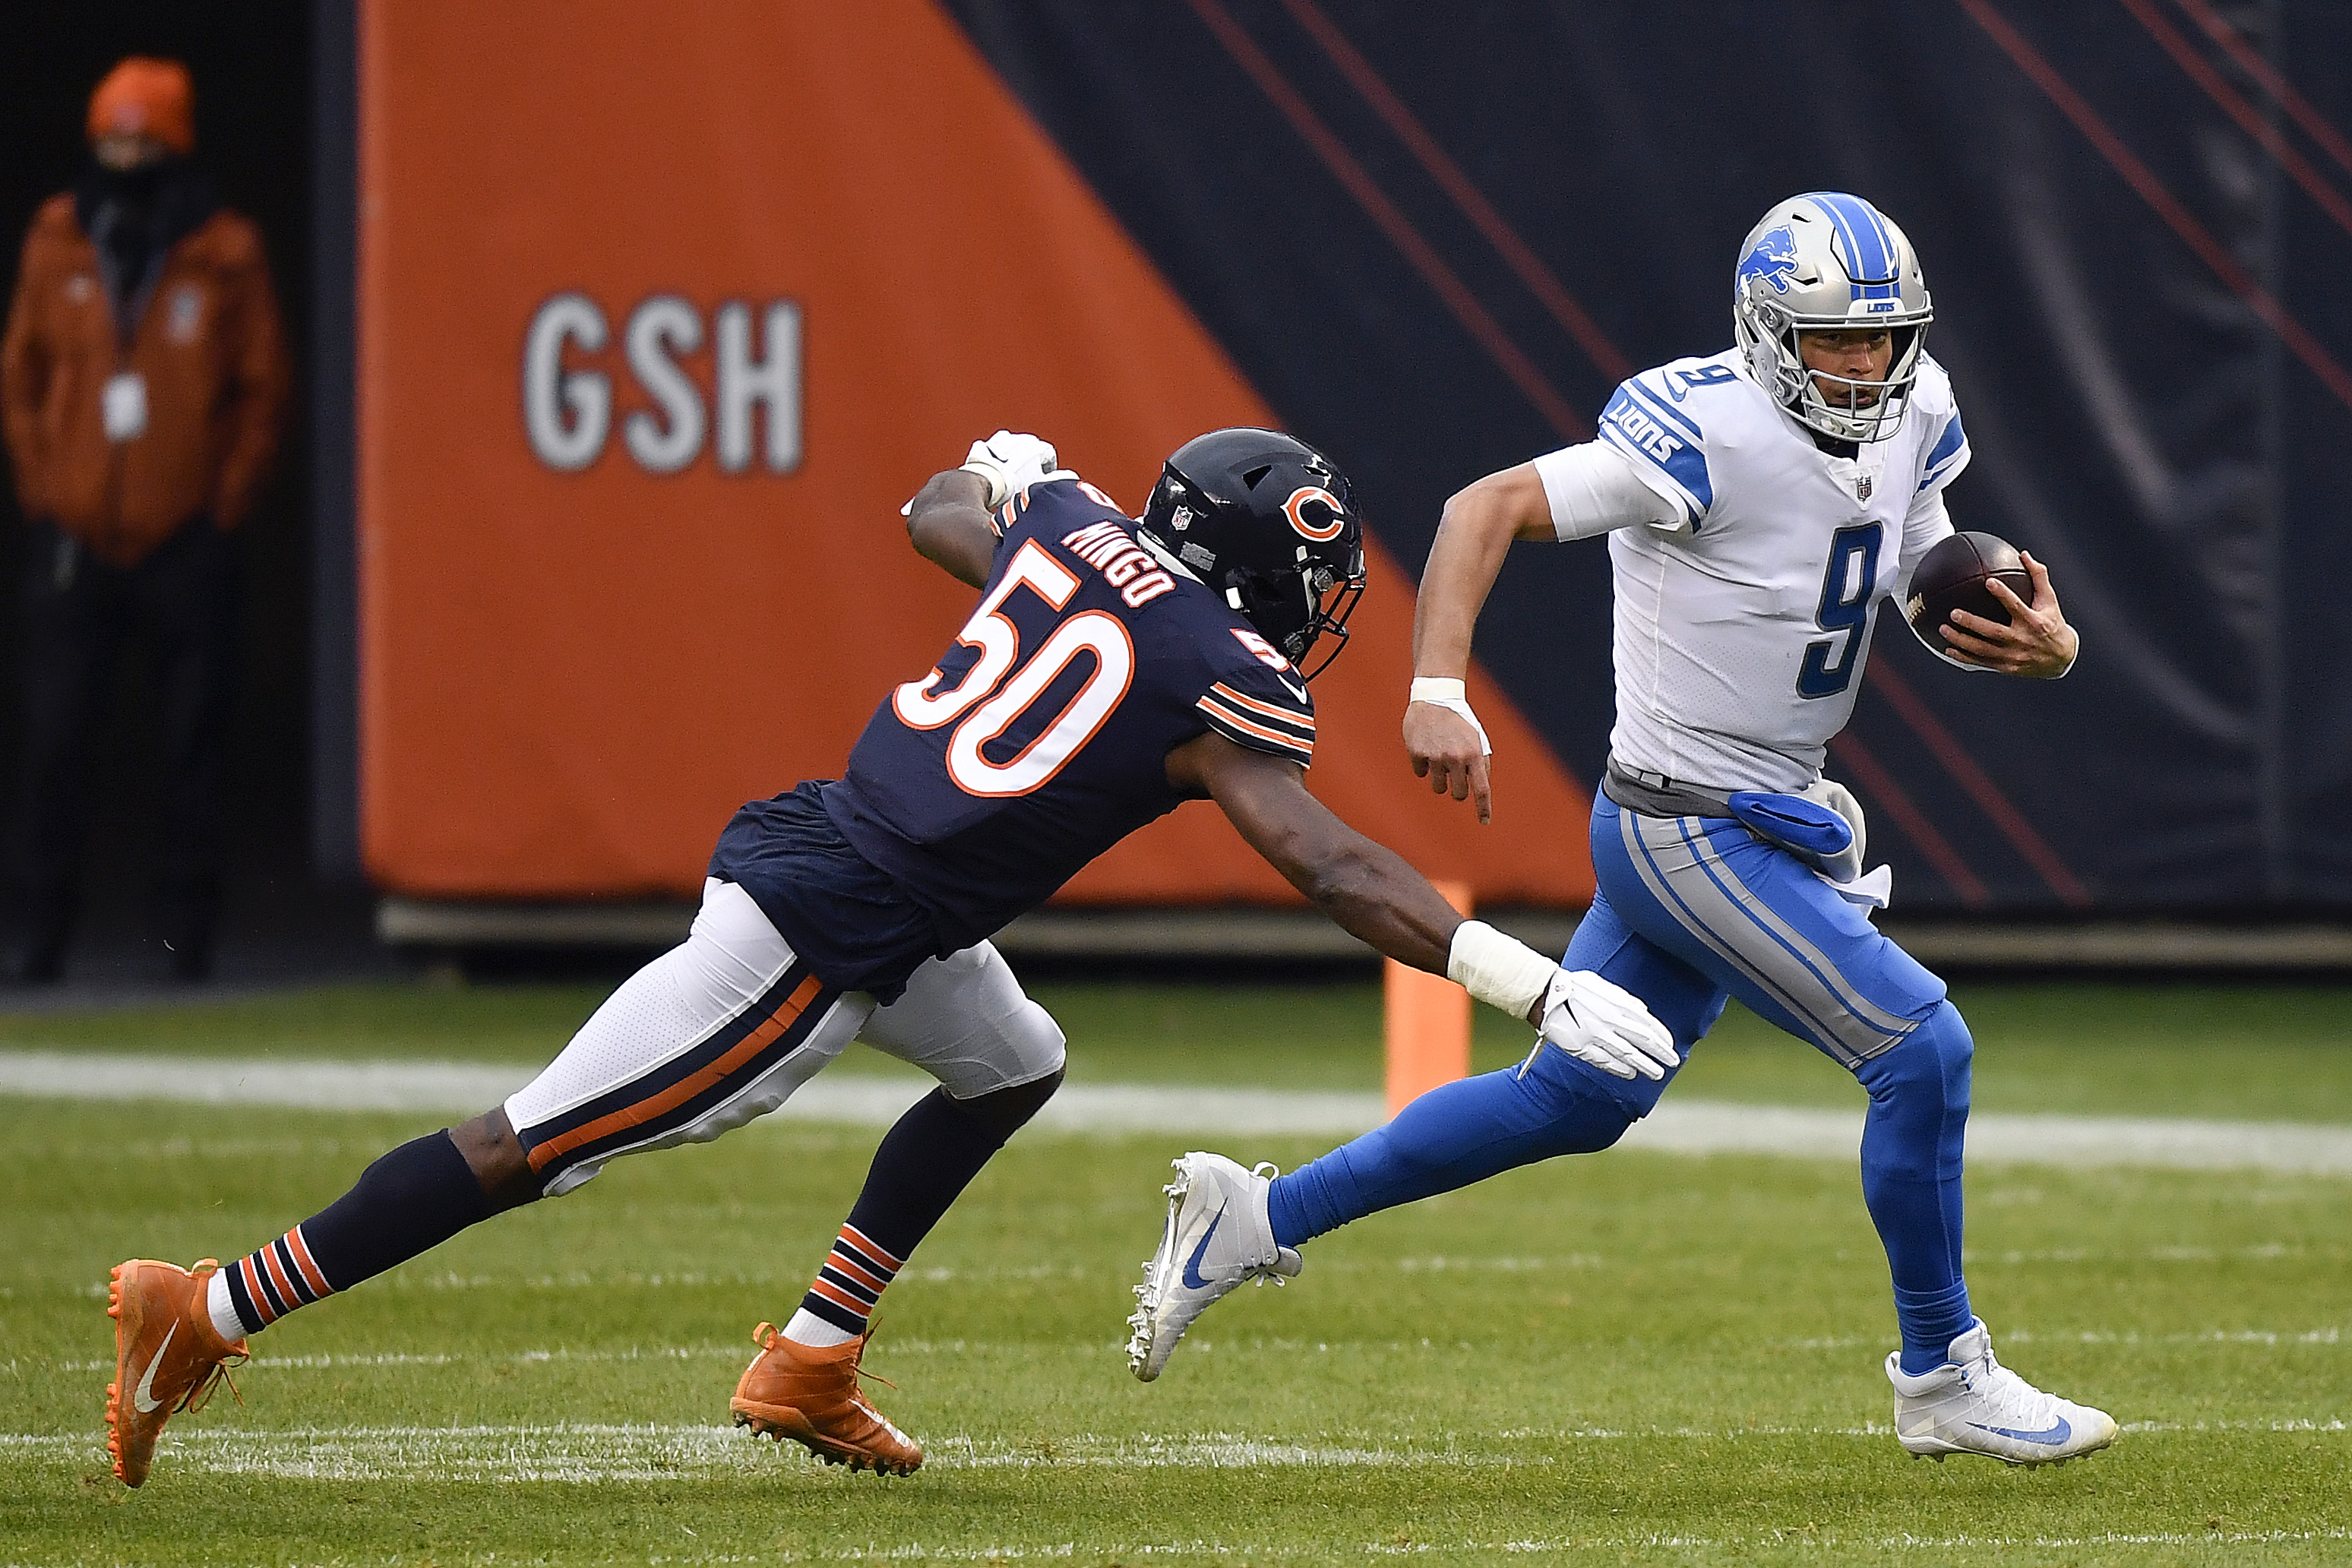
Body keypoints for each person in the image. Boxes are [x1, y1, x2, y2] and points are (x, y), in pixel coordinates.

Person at [102, 426, 1671, 1487]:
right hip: (824, 930)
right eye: (1306, 579)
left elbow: (936, 514)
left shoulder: (1073, 529)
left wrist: (997, 475)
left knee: (1014, 1060)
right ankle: (213, 1307)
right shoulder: (1215, 677)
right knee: (534, 1144)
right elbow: (1328, 862)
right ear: (1255, 565)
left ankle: (811, 1354)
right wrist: (1528, 981)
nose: (1314, 612)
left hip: (870, 867)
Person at [1127, 193, 2118, 1468]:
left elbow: (1913, 574)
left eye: (1884, 339)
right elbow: (1484, 506)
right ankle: (1941, 1373)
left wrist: (2041, 644)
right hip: (1683, 822)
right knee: (1921, 1049)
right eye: (1835, 341)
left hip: (1768, 807)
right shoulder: (1700, 427)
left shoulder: (1917, 412)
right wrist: (1438, 690)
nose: (1865, 365)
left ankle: (1255, 1216)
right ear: (1768, 334)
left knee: (1575, 1098)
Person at [0, 58, 289, 984]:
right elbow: (24, 377)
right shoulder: (57, 238)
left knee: (190, 754)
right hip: (78, 541)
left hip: (183, 542)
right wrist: (48, 494)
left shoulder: (224, 249)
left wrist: (223, 505)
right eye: (112, 136)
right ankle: (40, 941)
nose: (125, 154)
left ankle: (187, 947)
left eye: (143, 138)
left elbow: (261, 390)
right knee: (55, 747)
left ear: (174, 144)